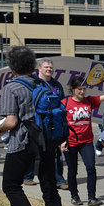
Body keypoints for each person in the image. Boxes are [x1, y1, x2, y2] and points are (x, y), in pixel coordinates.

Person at [0, 46, 71, 206]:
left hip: (23, 142)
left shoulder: (12, 87)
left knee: (10, 185)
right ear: (33, 65)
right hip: (47, 141)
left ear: (12, 66)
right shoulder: (43, 84)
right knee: (49, 185)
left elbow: (11, 122)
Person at [61, 75, 104, 206]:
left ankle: (92, 198)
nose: (82, 92)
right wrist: (62, 141)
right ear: (72, 89)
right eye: (79, 89)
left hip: (86, 141)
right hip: (70, 142)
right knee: (72, 170)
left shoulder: (89, 101)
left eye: (84, 89)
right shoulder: (64, 103)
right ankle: (74, 195)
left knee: (91, 168)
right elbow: (60, 123)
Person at [23, 58, 68, 189]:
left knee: (55, 152)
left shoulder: (57, 85)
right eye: (46, 67)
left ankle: (59, 180)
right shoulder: (34, 83)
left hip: (53, 124)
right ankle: (28, 176)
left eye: (50, 67)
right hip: (36, 122)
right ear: (39, 69)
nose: (49, 69)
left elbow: (62, 103)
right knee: (33, 150)